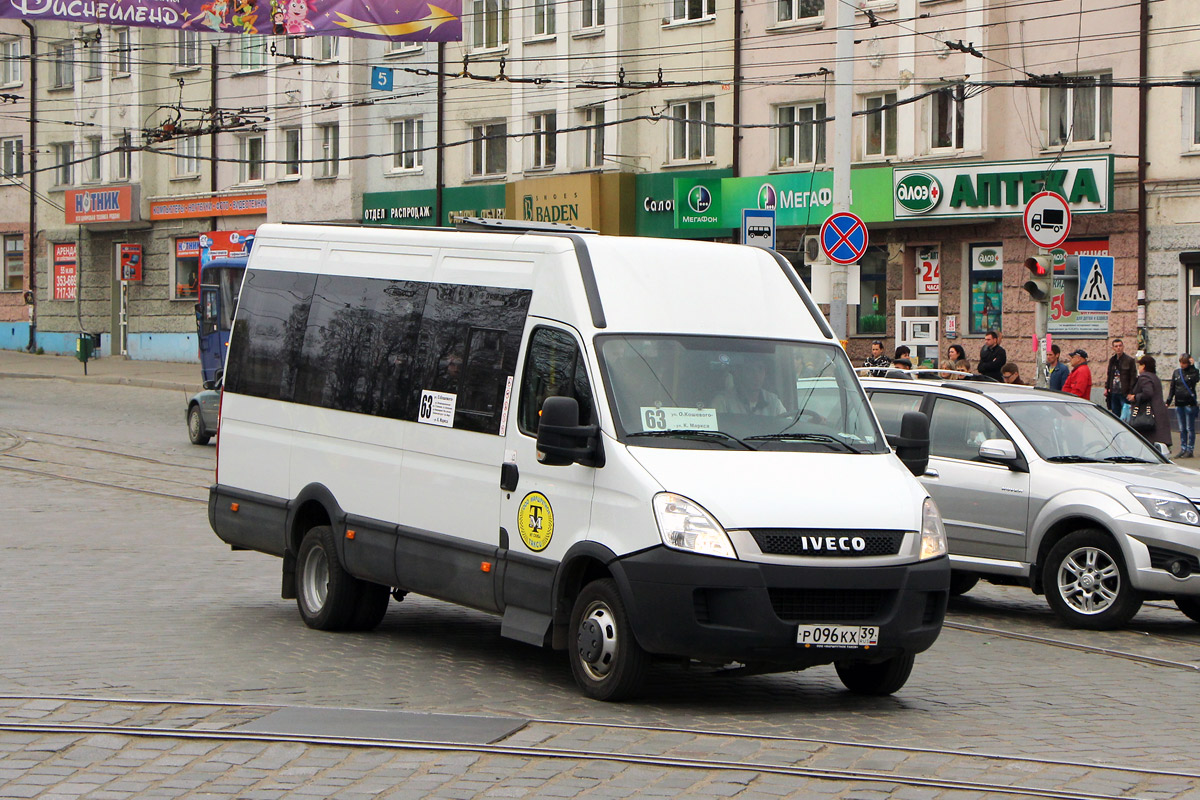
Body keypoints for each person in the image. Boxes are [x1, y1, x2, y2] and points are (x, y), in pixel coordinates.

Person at [711, 359, 786, 415]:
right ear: (740, 373)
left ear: (765, 374)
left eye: (760, 369)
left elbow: (786, 427)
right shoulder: (723, 402)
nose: (756, 376)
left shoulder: (774, 402)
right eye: (750, 370)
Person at [1127, 355, 1172, 449]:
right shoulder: (1154, 377)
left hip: (1149, 415)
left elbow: (1148, 392)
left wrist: (1135, 397)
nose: (1138, 368)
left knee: (1147, 443)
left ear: (1144, 366)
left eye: (1139, 366)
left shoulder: (1144, 377)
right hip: (1158, 413)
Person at [1166, 353, 1199, 458]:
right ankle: (1183, 448)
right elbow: (1172, 388)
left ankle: (1190, 449)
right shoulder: (1176, 373)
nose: (1182, 365)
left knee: (1190, 428)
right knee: (1182, 428)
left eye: (1184, 363)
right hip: (1179, 403)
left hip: (1189, 404)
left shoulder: (1193, 372)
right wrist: (1168, 400)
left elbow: (1196, 379)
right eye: (1181, 362)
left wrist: (1193, 366)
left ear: (1188, 363)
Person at [1105, 338, 1137, 418]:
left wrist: (1131, 392)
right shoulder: (1112, 360)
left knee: (1126, 414)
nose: (1118, 348)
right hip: (1114, 392)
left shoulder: (1129, 360)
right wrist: (1107, 387)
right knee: (1115, 415)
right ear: (1113, 348)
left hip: (1124, 392)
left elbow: (1133, 377)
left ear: (1123, 347)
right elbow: (1109, 375)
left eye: (1120, 346)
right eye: (1116, 346)